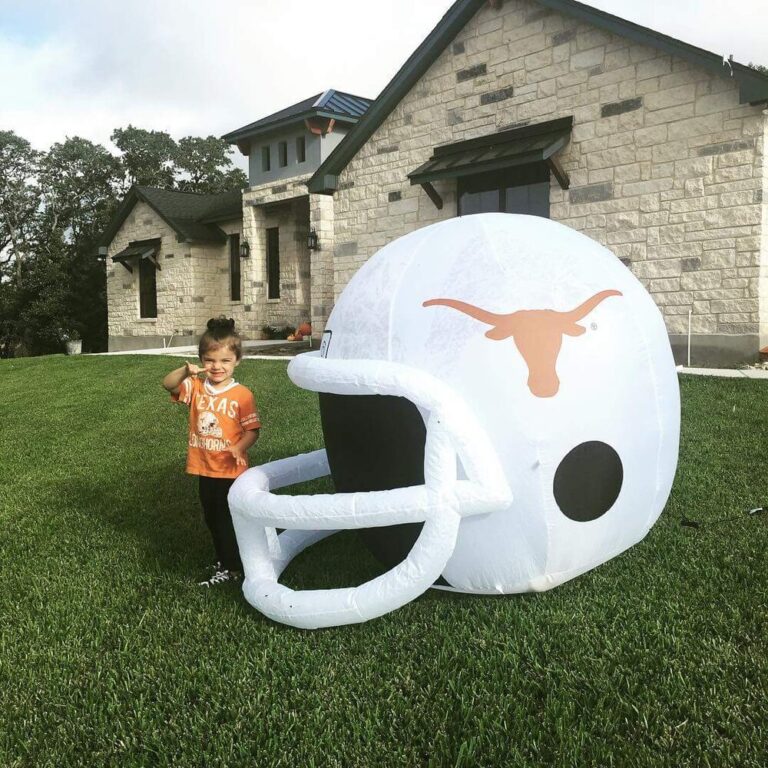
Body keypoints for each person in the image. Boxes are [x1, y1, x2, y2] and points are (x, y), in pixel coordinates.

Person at [162, 316, 260, 586]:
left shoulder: (242, 395)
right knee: (212, 517)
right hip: (205, 466)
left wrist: (239, 447)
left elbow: (253, 430)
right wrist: (185, 372)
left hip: (230, 470)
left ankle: (233, 567)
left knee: (228, 520)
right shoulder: (196, 388)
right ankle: (223, 558)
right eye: (210, 360)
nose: (217, 367)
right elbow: (168, 384)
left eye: (225, 361)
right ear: (202, 360)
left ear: (237, 361)